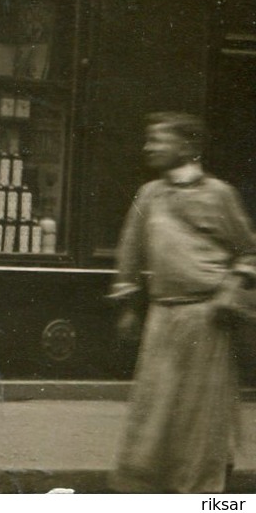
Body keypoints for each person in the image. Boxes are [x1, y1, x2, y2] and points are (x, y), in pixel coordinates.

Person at [109, 111, 256, 493]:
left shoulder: (218, 194)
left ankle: (202, 494)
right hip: (162, 318)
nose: (149, 147)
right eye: (148, 139)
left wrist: (232, 290)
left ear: (188, 146)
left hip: (206, 320)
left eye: (159, 139)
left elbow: (249, 253)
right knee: (155, 414)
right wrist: (128, 304)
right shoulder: (150, 195)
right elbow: (130, 252)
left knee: (200, 417)